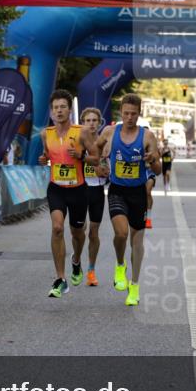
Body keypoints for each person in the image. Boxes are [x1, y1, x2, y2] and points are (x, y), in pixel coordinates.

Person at [96, 94, 160, 306]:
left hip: (138, 193)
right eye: (126, 113)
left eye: (133, 113)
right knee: (121, 233)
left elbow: (158, 168)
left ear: (139, 113)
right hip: (117, 190)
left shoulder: (147, 136)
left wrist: (152, 160)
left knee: (137, 241)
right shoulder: (109, 132)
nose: (130, 117)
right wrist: (99, 165)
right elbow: (94, 149)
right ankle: (120, 265)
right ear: (120, 113)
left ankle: (134, 285)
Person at [39, 90, 99, 298]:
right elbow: (47, 155)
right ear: (52, 111)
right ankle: (60, 278)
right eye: (56, 107)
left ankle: (76, 261)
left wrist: (81, 155)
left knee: (77, 233)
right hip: (56, 188)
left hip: (78, 190)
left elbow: (96, 157)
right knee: (57, 228)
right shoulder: (45, 133)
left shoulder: (81, 132)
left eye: (63, 106)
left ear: (68, 110)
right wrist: (43, 158)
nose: (59, 111)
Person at [78, 107, 107, 287]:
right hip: (80, 188)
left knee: (94, 232)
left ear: (99, 123)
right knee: (80, 230)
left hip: (97, 190)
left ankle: (91, 270)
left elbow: (106, 171)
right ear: (83, 123)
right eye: (88, 121)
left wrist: (100, 168)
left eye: (94, 120)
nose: (91, 124)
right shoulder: (78, 142)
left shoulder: (104, 143)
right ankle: (76, 259)